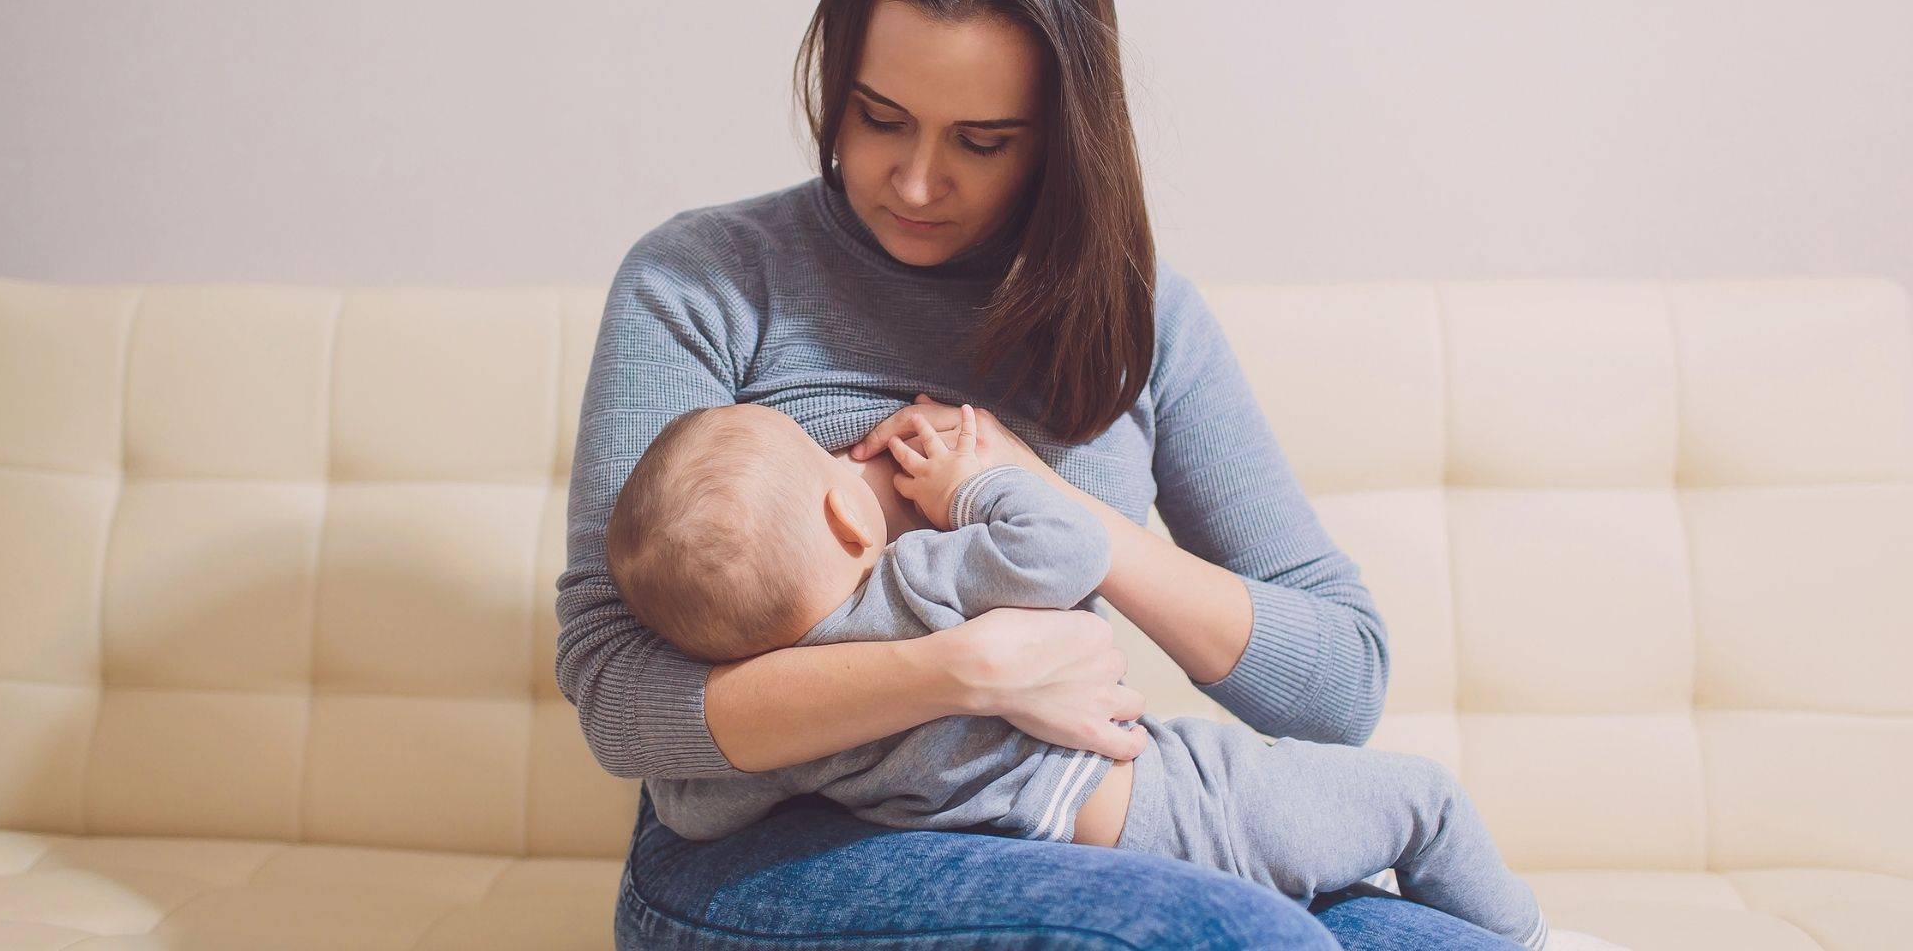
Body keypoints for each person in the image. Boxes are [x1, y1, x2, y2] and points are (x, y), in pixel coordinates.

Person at [557, 0, 1537, 946]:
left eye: (981, 142)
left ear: (1061, 133)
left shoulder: (1139, 318)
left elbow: (1338, 684)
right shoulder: (704, 281)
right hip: (766, 853)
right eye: (880, 118)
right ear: (836, 76)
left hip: (1065, 819)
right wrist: (959, 672)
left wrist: (1037, 498)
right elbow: (618, 692)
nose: (917, 183)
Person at [600, 402, 1626, 951]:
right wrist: (980, 481)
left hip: (1086, 846)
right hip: (1199, 805)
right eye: (830, 461)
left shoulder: (797, 717)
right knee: (1424, 802)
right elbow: (1058, 548)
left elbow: (691, 803)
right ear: (845, 516)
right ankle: (1537, 940)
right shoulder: (918, 580)